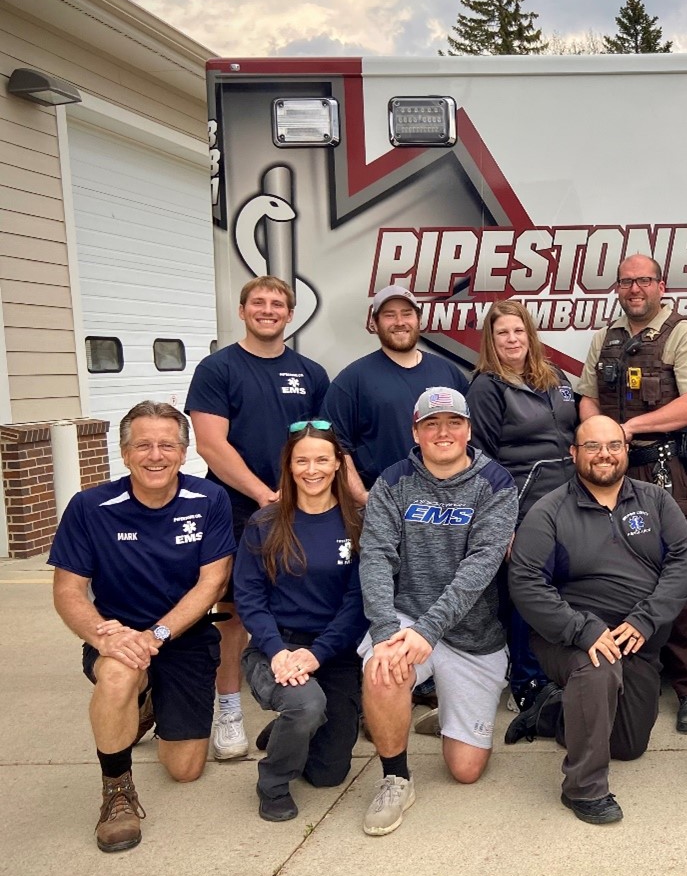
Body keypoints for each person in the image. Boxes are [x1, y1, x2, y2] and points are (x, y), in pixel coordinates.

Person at [48, 401, 234, 852]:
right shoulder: (90, 506)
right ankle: (117, 792)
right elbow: (68, 592)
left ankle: (144, 704)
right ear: (125, 453)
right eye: (143, 445)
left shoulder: (209, 500)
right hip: (120, 636)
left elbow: (213, 581)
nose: (156, 455)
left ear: (184, 451)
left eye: (167, 445)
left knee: (185, 769)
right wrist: (104, 636)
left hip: (183, 637)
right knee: (116, 675)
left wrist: (158, 636)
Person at [508, 416, 687, 824]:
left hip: (636, 638)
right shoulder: (549, 511)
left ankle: (552, 713)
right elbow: (525, 582)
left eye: (614, 445)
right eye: (592, 446)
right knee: (597, 670)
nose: (604, 455)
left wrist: (647, 620)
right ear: (573, 454)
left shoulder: (655, 500)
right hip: (570, 637)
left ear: (626, 451)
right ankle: (583, 789)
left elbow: (684, 559)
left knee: (629, 745)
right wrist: (583, 629)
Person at [356, 387, 517, 836]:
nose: (443, 432)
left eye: (453, 423)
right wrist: (388, 631)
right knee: (383, 668)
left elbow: (481, 565)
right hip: (408, 617)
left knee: (465, 770)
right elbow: (375, 557)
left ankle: (445, 715)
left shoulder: (496, 484)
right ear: (416, 431)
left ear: (468, 429)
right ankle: (396, 778)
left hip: (471, 632)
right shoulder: (393, 481)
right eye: (432, 424)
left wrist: (429, 629)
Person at [186, 275, 330, 762]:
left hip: (300, 505)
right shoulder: (217, 368)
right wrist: (266, 495)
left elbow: (322, 443)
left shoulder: (310, 373)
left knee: (293, 601)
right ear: (243, 309)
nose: (268, 310)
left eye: (277, 304)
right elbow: (210, 443)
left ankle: (294, 698)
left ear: (290, 315)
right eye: (258, 302)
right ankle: (228, 709)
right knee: (231, 615)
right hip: (237, 506)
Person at [575, 254, 687, 733]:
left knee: (681, 576)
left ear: (661, 286)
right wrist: (599, 434)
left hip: (667, 470)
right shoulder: (605, 337)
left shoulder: (683, 334)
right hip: (610, 470)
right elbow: (587, 394)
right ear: (617, 288)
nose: (635, 289)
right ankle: (632, 675)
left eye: (644, 281)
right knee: (614, 570)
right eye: (626, 281)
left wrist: (629, 427)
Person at [232, 421, 367, 822]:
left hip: (334, 651)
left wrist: (318, 653)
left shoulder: (357, 521)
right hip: (277, 648)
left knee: (329, 775)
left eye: (323, 460)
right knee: (308, 704)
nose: (313, 470)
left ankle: (286, 733)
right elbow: (250, 598)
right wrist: (277, 652)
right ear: (289, 467)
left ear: (339, 465)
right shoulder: (265, 524)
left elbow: (357, 603)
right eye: (302, 460)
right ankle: (272, 781)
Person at [465, 299, 578, 731]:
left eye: (518, 331)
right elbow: (484, 460)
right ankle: (526, 684)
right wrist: (504, 525)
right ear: (491, 342)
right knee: (526, 597)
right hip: (522, 506)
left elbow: (571, 433)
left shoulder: (556, 379)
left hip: (567, 502)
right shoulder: (486, 387)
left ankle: (560, 675)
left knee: (563, 591)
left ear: (530, 335)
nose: (512, 340)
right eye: (502, 334)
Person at [323, 285, 468, 506]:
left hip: (445, 505)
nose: (399, 322)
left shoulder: (448, 373)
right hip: (385, 506)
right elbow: (334, 445)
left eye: (407, 314)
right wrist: (362, 497)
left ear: (419, 319)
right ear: (374, 322)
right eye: (389, 315)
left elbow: (470, 438)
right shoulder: (353, 379)